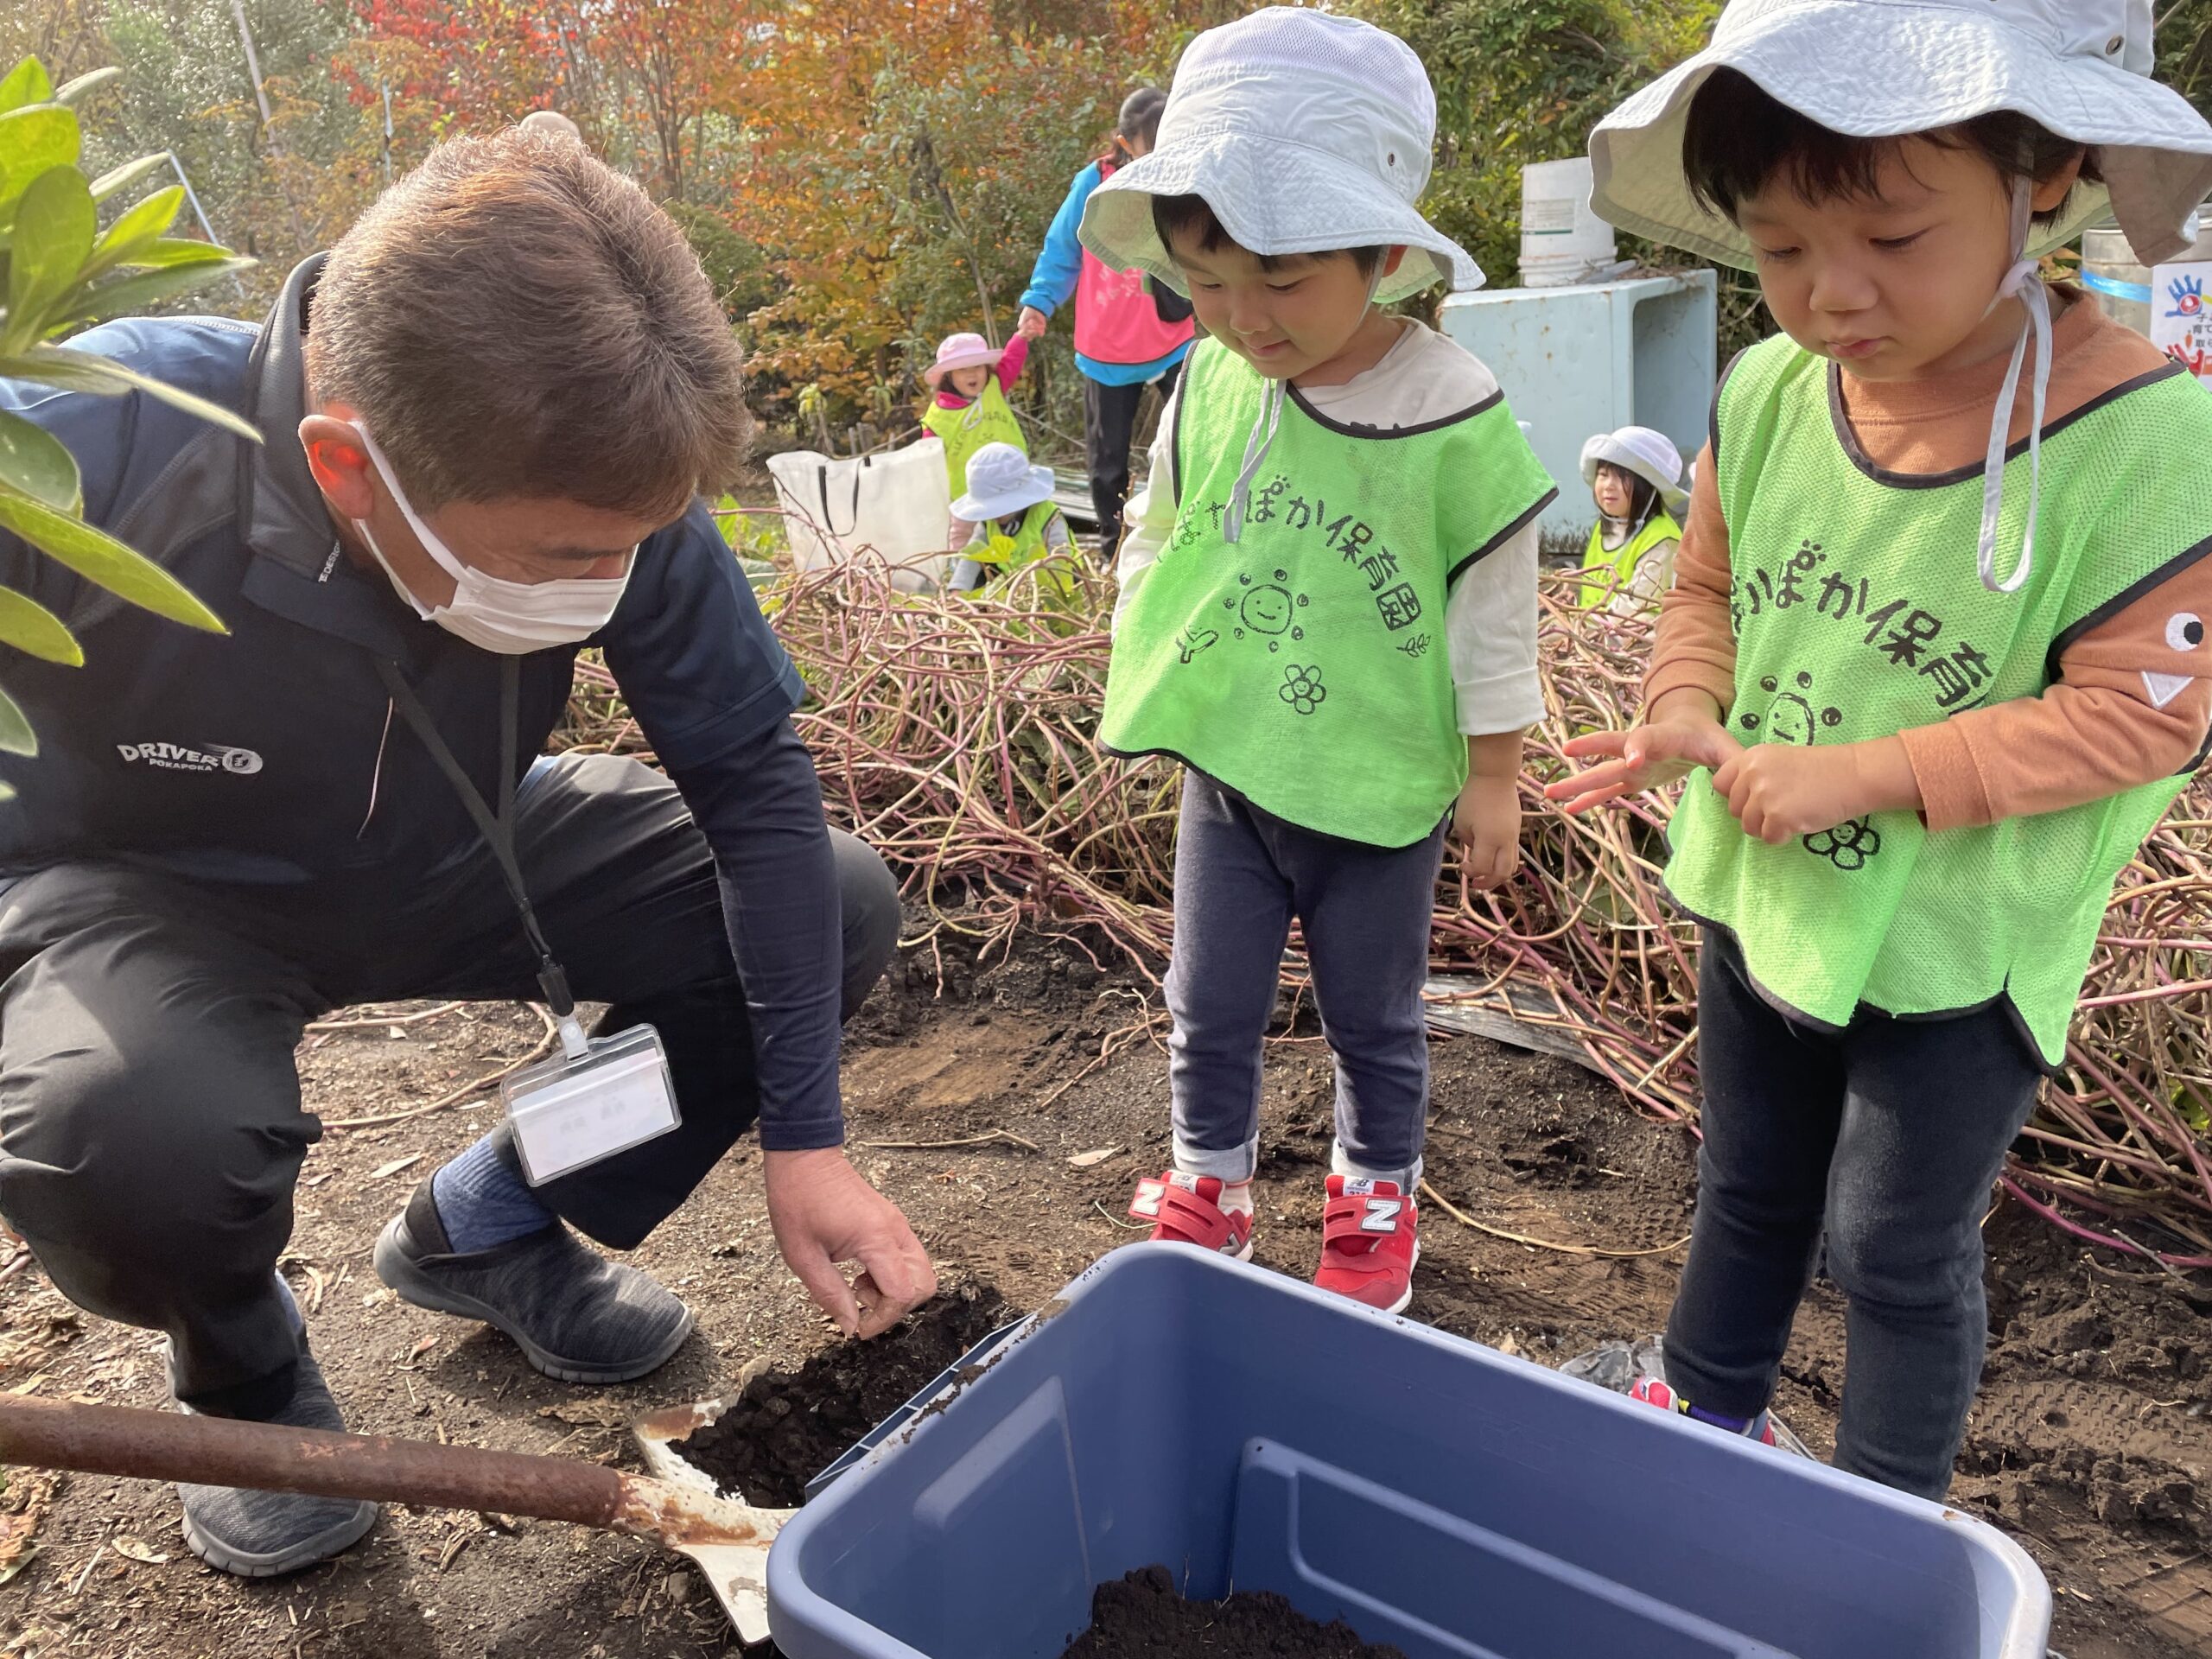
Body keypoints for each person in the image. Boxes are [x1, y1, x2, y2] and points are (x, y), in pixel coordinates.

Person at [0, 128, 937, 1574]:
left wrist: (807, 1141)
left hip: (465, 845)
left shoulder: (608, 475)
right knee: (130, 1131)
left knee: (828, 904)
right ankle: (244, 1374)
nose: (604, 585)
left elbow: (753, 795)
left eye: (625, 550)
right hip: (146, 893)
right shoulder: (91, 445)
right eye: (559, 562)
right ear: (347, 466)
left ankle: (487, 1226)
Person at [1548, 0, 2212, 1500]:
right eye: (1782, 249)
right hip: (1768, 897)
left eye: (1895, 238)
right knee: (1750, 1186)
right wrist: (1680, 706)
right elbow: (1709, 586)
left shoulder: (2148, 445)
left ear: (2042, 177)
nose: (1832, 295)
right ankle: (1707, 1420)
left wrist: (1866, 773)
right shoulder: (1774, 394)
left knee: (1895, 1247)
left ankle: (1882, 1518)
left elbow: (2142, 712)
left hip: (1954, 947)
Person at [1080, 9, 1555, 1316]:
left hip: (1381, 775)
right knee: (1207, 998)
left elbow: (1495, 609)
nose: (1242, 318)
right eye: (1207, 281)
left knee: (1376, 1017)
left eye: (1280, 282)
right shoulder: (1215, 378)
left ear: (1384, 250)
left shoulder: (1449, 409)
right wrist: (1148, 659)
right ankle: (1210, 1187)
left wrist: (1494, 775)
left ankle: (1372, 1200)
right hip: (1236, 759)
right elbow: (1161, 528)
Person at [1018, 87, 1195, 558]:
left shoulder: (1183, 172)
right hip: (1108, 349)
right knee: (1107, 464)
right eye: (1150, 144)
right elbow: (1062, 249)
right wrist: (1039, 302)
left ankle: (1191, 537)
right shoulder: (1094, 183)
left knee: (1190, 439)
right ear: (1124, 141)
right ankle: (1114, 552)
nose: (1161, 152)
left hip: (1170, 337)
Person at [921, 330, 1033, 550]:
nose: (972, 374)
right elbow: (927, 462)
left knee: (1019, 539)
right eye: (962, 369)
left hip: (1011, 487)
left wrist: (1022, 337)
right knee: (967, 546)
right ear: (949, 376)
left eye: (978, 367)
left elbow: (1011, 360)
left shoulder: (994, 388)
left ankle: (1020, 576)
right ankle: (960, 580)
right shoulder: (937, 418)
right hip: (968, 499)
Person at [1578, 424, 1688, 613]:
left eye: (1623, 477)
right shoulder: (1606, 526)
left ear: (1647, 486)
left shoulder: (1662, 540)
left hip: (1631, 637)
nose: (1608, 486)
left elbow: (1632, 610)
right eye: (1603, 475)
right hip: (1588, 630)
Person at [946, 441, 1076, 596]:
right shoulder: (988, 524)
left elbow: (1061, 565)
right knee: (980, 571)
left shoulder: (1048, 517)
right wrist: (957, 592)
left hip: (1057, 587)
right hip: (1015, 587)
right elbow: (971, 557)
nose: (994, 515)